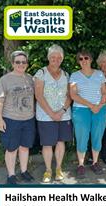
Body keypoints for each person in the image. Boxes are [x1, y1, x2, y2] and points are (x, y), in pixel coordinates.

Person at [34, 44, 73, 183]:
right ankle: (48, 170)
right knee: (47, 143)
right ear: (48, 58)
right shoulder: (41, 73)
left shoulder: (67, 75)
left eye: (59, 57)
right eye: (53, 57)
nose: (56, 59)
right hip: (45, 116)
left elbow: (70, 95)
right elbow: (38, 95)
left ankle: (58, 169)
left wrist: (61, 111)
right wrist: (52, 114)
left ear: (62, 58)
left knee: (60, 141)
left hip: (63, 114)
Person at [0, 51, 35, 184]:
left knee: (24, 147)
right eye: (18, 62)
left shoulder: (30, 78)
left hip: (29, 119)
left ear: (27, 64)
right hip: (11, 119)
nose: (21, 64)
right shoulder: (4, 80)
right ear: (13, 63)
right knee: (11, 148)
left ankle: (24, 171)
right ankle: (11, 175)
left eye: (23, 62)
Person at [70, 50, 106, 178]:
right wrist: (91, 105)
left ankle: (95, 162)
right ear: (78, 62)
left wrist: (100, 105)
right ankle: (81, 165)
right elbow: (73, 95)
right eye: (80, 59)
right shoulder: (74, 75)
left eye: (86, 58)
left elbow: (104, 92)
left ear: (91, 59)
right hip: (81, 110)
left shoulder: (99, 74)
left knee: (97, 136)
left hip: (99, 109)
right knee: (82, 137)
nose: (84, 61)